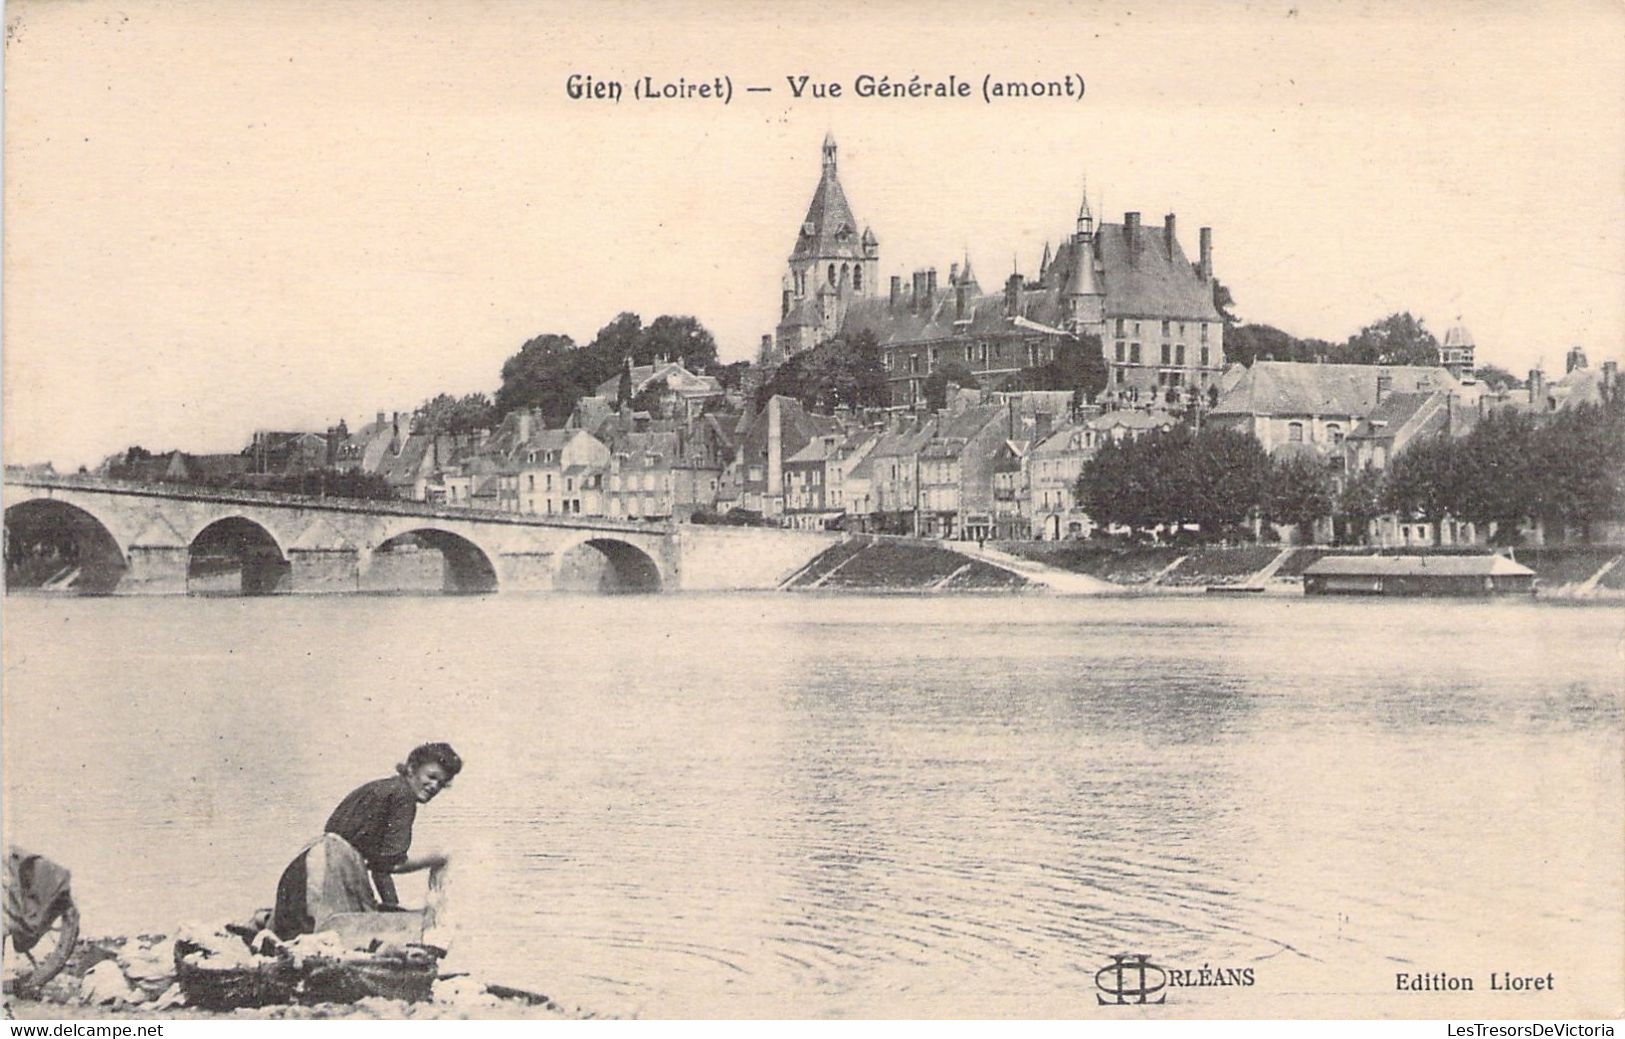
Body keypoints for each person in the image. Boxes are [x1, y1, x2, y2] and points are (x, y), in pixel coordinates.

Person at [271, 742, 462, 940]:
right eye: (431, 777)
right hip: (329, 876)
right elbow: (393, 863)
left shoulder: (386, 788)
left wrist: (391, 906)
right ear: (412, 768)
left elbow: (381, 867)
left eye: (441, 783)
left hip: (304, 871)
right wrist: (439, 858)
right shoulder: (403, 796)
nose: (434, 786)